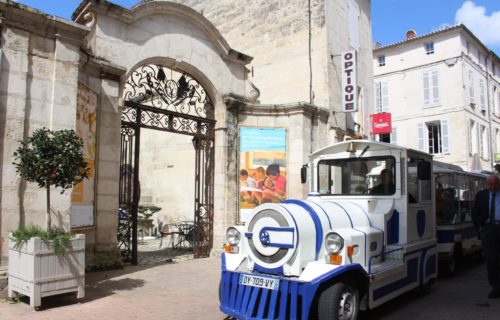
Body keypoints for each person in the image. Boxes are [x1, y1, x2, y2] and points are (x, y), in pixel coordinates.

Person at [472, 174, 500, 299]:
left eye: (495, 184)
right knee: (491, 259)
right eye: (490, 184)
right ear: (487, 184)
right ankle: (496, 287)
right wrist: (480, 229)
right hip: (488, 229)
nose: (493, 186)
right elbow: (475, 213)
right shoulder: (481, 195)